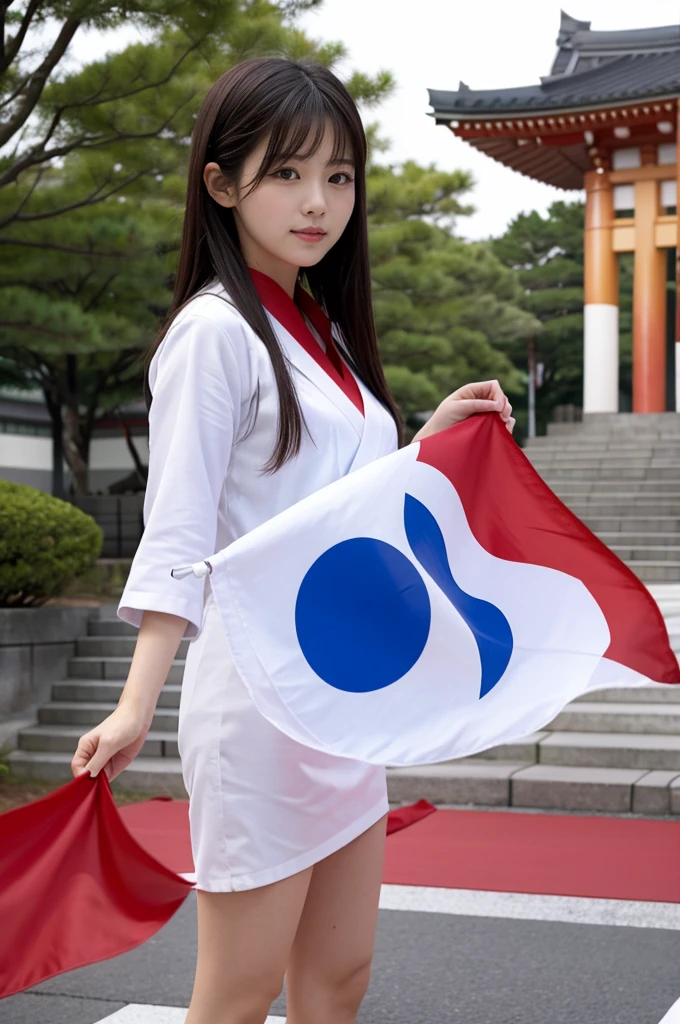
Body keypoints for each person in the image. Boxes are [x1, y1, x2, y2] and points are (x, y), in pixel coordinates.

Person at [71, 56, 514, 1024]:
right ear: (221, 184)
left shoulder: (323, 332)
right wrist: (135, 702)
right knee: (238, 989)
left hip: (340, 697)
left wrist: (423, 441)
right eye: (285, 173)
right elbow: (180, 528)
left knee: (338, 977)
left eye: (339, 176)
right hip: (258, 704)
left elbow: (329, 498)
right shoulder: (213, 333)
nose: (317, 202)